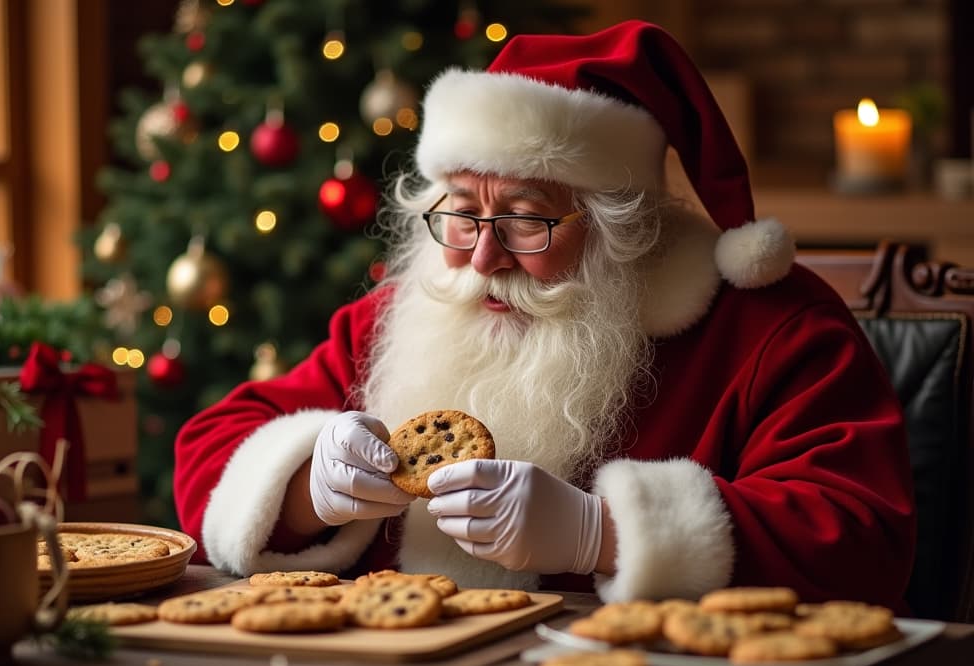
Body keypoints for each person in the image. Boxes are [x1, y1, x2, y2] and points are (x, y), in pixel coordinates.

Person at [173, 20, 916, 610]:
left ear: (624, 231)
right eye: (461, 215)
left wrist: (607, 534)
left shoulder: (770, 332)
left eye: (527, 221)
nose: (482, 259)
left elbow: (861, 540)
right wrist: (306, 490)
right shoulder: (411, 314)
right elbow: (208, 448)